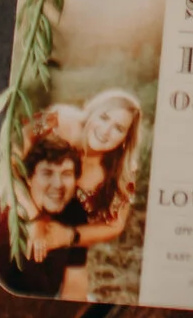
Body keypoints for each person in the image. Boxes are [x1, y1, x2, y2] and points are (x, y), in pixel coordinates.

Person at [40, 87, 143, 299]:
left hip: (66, 239)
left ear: (125, 138)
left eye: (118, 128)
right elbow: (17, 143)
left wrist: (70, 236)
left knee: (73, 285)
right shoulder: (62, 121)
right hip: (24, 213)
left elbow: (115, 225)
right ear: (91, 112)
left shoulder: (123, 171)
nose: (106, 131)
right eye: (104, 117)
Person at [0, 129, 89, 299]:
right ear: (29, 178)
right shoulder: (11, 208)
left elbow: (75, 283)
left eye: (66, 174)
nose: (58, 184)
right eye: (47, 173)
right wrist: (35, 219)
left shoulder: (75, 212)